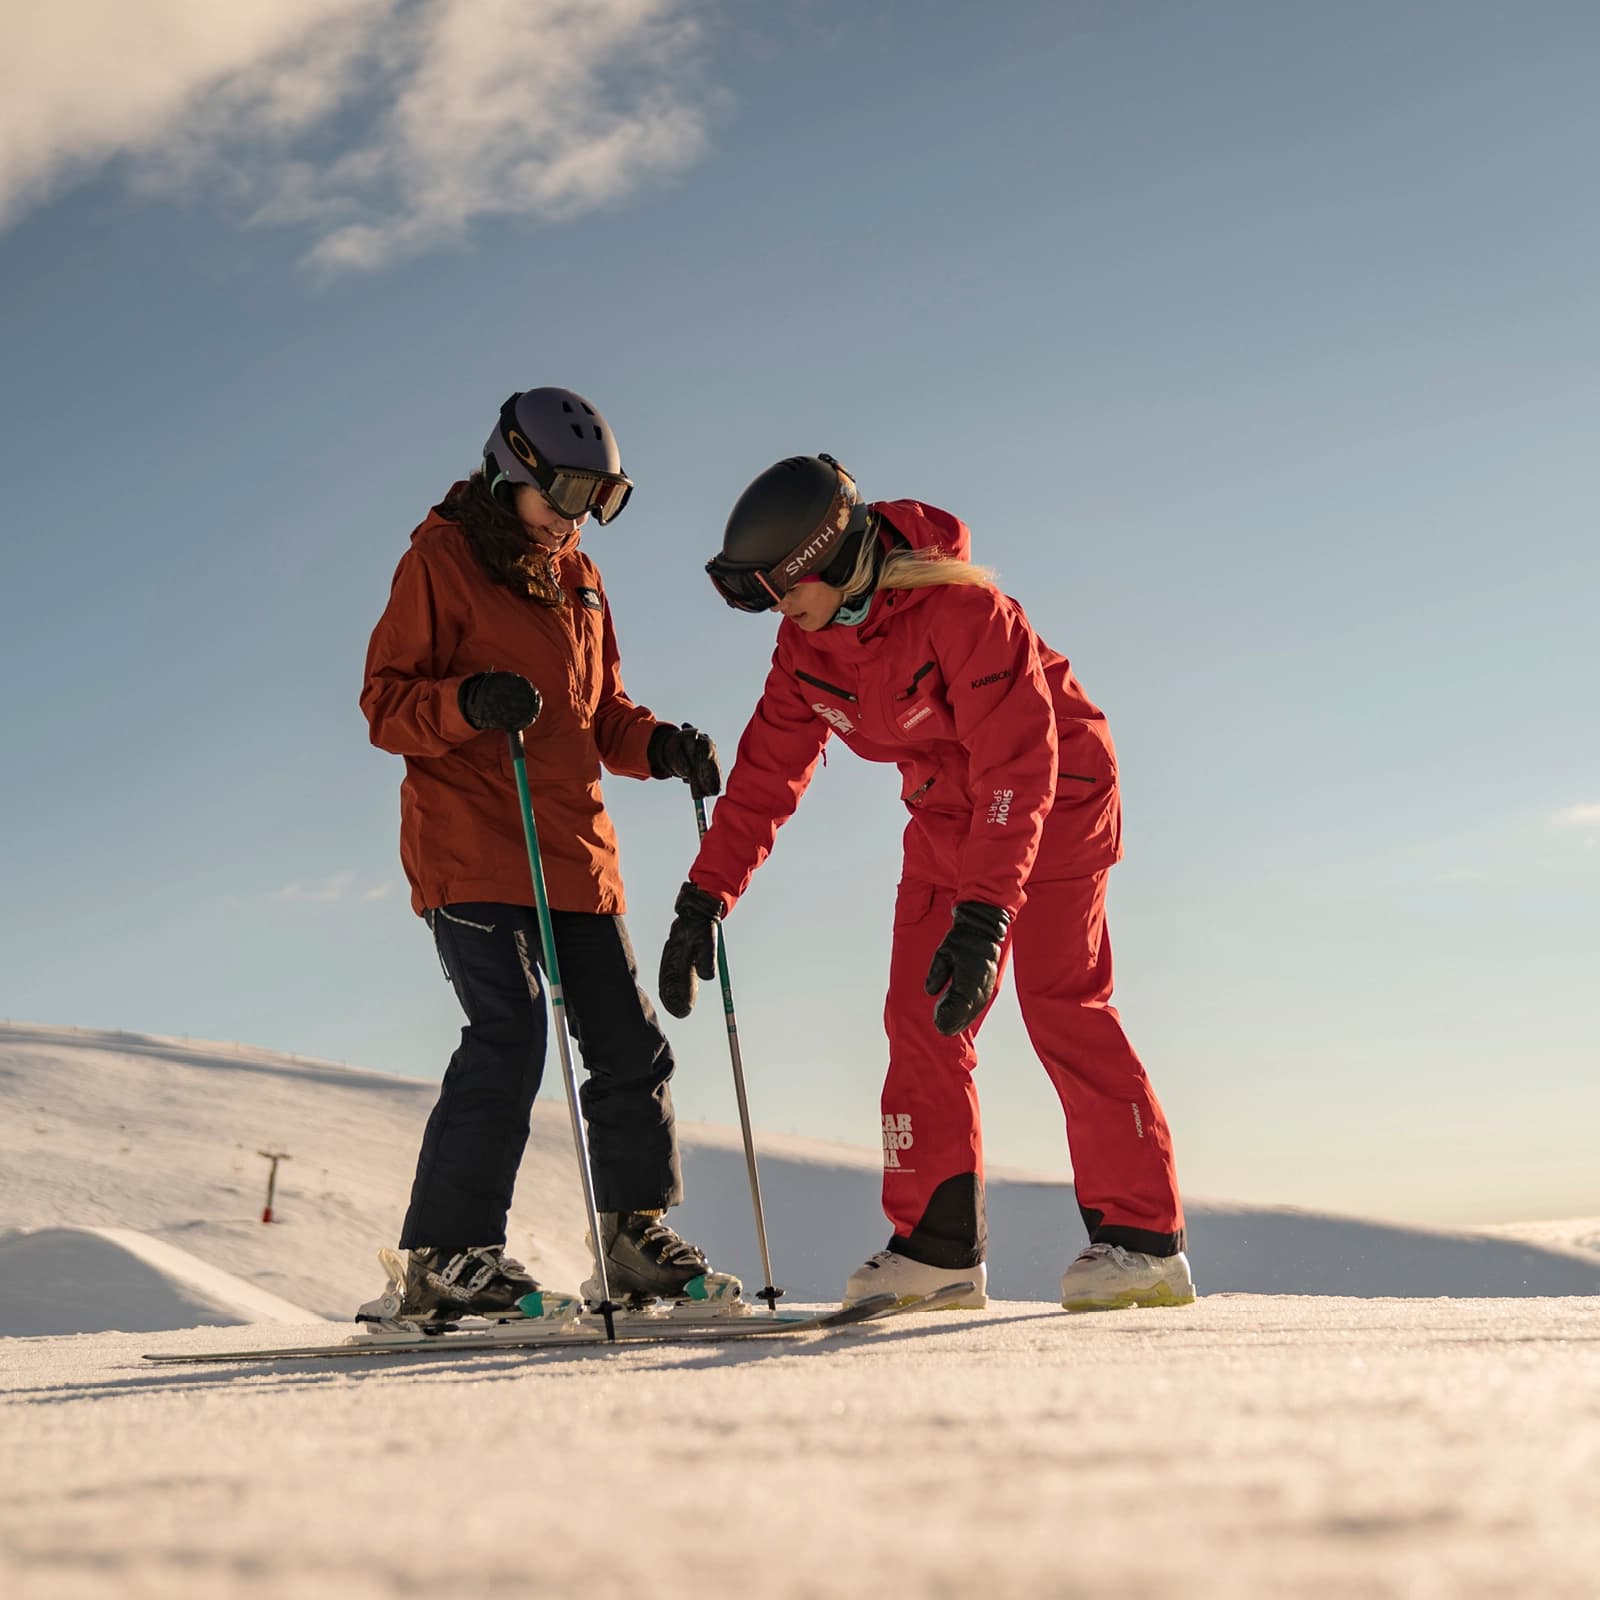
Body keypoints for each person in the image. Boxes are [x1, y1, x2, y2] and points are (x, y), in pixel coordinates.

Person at [657, 454, 1193, 1313]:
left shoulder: (965, 611)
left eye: (778, 589)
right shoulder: (806, 649)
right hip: (948, 813)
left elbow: (1020, 760)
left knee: (1060, 1005)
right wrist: (704, 898)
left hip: (1055, 798)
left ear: (824, 560)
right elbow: (764, 777)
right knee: (919, 1014)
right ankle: (937, 1252)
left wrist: (984, 916)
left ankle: (1144, 1244)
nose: (773, 611)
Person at [359, 386, 739, 1325]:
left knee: (629, 1047)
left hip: (573, 852)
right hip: (474, 844)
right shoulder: (439, 559)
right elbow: (385, 703)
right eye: (565, 491)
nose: (575, 516)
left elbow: (601, 716)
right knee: (511, 1035)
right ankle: (446, 1258)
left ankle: (631, 1240)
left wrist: (661, 749)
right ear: (510, 469)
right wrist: (467, 702)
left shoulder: (582, 580)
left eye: (597, 499)